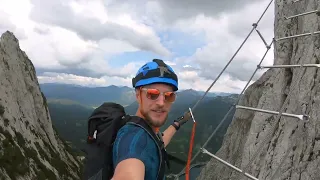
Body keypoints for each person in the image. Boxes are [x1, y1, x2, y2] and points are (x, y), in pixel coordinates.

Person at [111, 59, 191, 180]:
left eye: (169, 95)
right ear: (138, 95)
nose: (161, 103)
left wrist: (178, 123)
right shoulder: (132, 140)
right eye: (152, 94)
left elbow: (160, 141)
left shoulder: (146, 130)